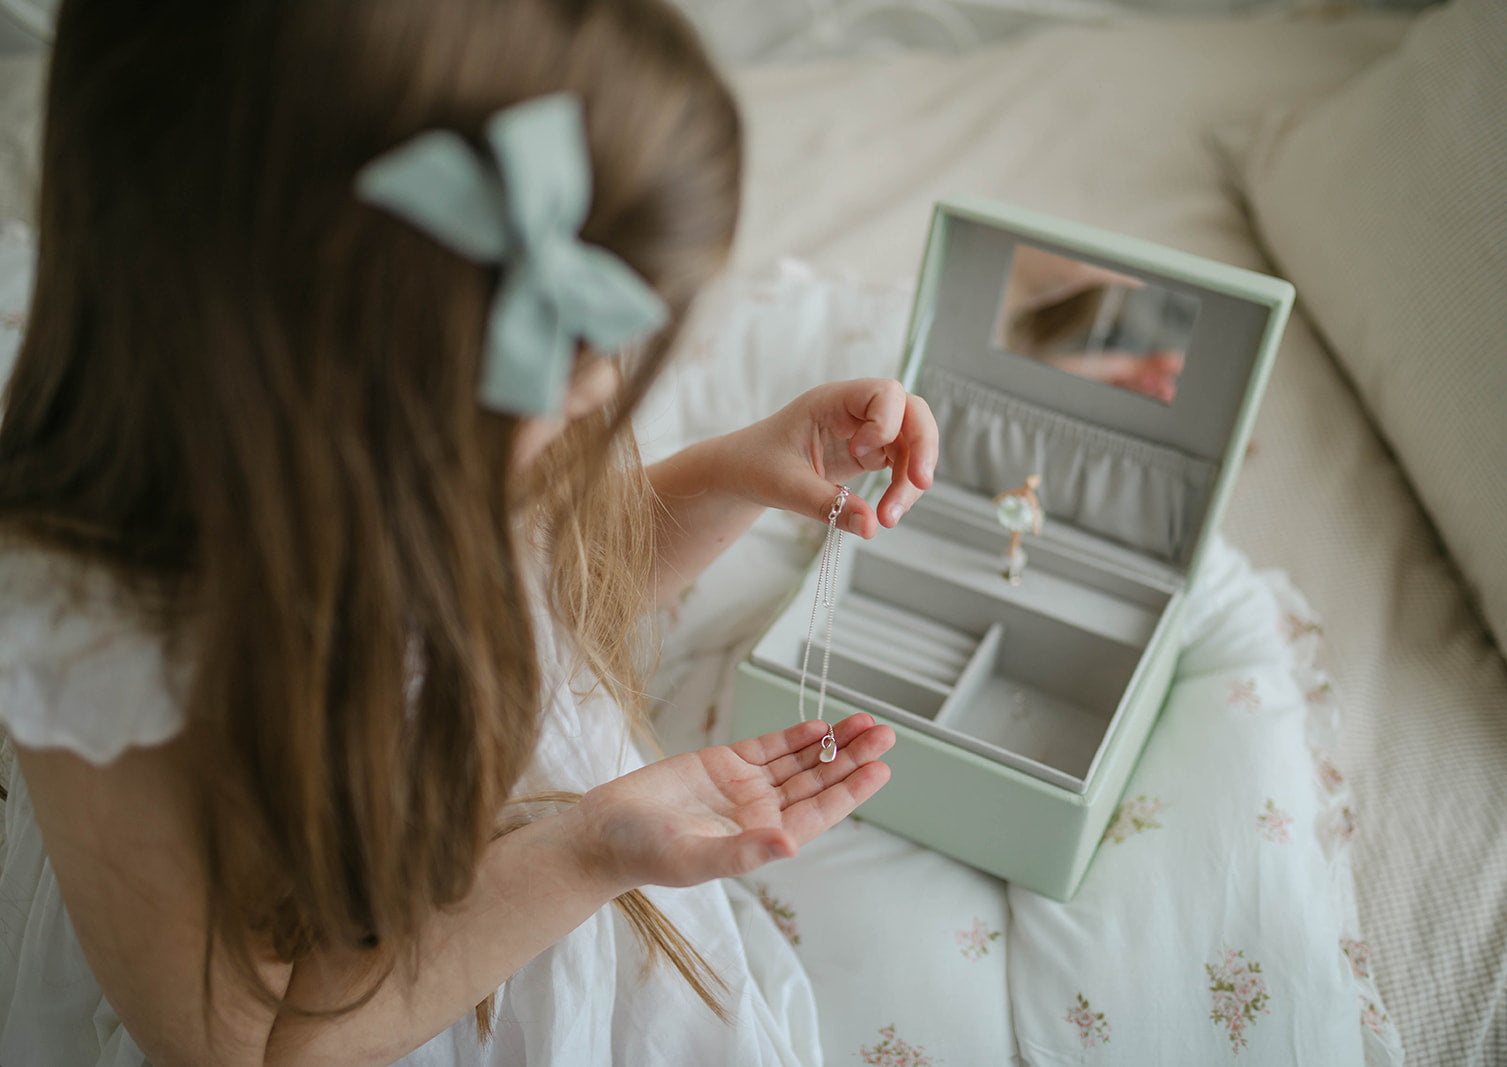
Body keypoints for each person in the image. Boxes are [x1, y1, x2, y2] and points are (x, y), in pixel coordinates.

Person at [0, 1, 938, 1063]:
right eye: (571, 350)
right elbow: (255, 1049)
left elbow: (556, 601)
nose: (599, 391)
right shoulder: (106, 653)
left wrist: (740, 471)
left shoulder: (434, 439)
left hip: (564, 903)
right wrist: (583, 852)